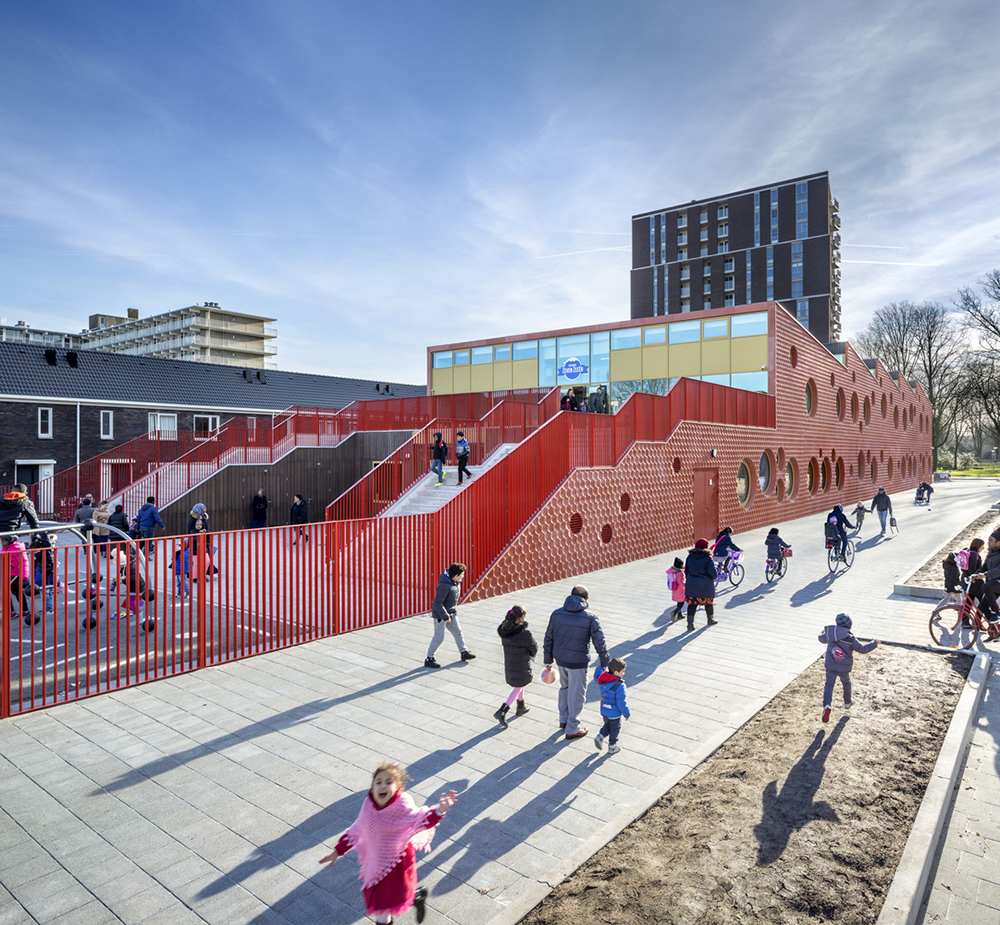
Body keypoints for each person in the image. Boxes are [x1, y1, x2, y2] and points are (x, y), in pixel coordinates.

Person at [319, 761, 456, 925]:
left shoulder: (403, 804)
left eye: (388, 782)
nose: (382, 786)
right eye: (378, 782)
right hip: (375, 863)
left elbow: (421, 819)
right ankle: (417, 897)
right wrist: (338, 851)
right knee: (383, 903)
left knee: (388, 903)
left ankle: (414, 897)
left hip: (397, 863)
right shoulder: (368, 805)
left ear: (397, 786)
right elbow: (357, 829)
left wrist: (440, 810)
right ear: (372, 786)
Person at [542, 584, 610, 740]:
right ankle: (573, 727)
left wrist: (548, 660)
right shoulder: (590, 616)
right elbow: (600, 641)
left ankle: (564, 719)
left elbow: (548, 637)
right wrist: (604, 661)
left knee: (565, 688)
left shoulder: (556, 614)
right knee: (577, 694)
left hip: (561, 660)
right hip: (578, 662)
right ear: (586, 599)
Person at [818, 613, 879, 723]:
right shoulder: (850, 638)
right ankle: (847, 702)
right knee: (846, 683)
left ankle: (827, 706)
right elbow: (862, 649)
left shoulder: (830, 634)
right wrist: (874, 643)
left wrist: (822, 633)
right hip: (843, 667)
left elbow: (821, 639)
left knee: (829, 685)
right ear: (849, 626)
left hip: (831, 665)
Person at [424, 563, 475, 668]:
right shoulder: (444, 586)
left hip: (452, 613)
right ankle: (429, 658)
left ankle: (464, 652)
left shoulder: (455, 583)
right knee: (439, 637)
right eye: (461, 575)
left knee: (458, 632)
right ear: (455, 575)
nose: (463, 576)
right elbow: (438, 603)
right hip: (441, 616)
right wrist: (445, 616)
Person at [493, 605, 537, 727]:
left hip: (510, 662)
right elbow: (534, 647)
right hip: (521, 662)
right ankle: (502, 711)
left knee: (520, 683)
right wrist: (532, 653)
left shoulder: (504, 631)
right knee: (518, 686)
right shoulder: (524, 633)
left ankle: (521, 705)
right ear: (521, 617)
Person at [594, 657, 630, 755]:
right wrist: (626, 714)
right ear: (615, 672)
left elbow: (597, 675)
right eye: (622, 671)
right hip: (614, 713)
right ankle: (612, 747)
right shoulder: (620, 686)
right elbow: (621, 703)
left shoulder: (602, 680)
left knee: (607, 725)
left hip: (604, 710)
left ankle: (600, 736)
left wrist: (601, 667)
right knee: (615, 729)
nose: (623, 673)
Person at [684, 538, 718, 631]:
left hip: (692, 584)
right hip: (705, 586)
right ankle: (710, 619)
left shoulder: (690, 557)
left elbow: (686, 571)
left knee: (692, 604)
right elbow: (713, 573)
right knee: (708, 603)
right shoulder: (708, 558)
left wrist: (691, 579)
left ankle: (690, 625)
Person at [3, 533, 36, 624]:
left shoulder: (17, 549)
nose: (2, 543)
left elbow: (24, 563)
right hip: (7, 573)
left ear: (9, 541)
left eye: (3, 541)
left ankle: (25, 610)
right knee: (6, 592)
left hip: (16, 575)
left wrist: (24, 575)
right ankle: (11, 611)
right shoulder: (5, 548)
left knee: (17, 592)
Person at [30, 533, 59, 614]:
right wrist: (35, 534)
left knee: (47, 589)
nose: (34, 553)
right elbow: (34, 542)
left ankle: (49, 609)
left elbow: (47, 543)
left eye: (35, 551)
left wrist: (42, 533)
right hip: (43, 570)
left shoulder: (47, 551)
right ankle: (48, 608)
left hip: (50, 569)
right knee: (45, 589)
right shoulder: (38, 552)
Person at [666, 557, 686, 621]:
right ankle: (674, 612)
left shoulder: (674, 571)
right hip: (681, 590)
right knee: (681, 603)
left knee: (679, 601)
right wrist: (686, 585)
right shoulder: (680, 573)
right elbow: (681, 582)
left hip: (675, 589)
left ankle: (680, 615)